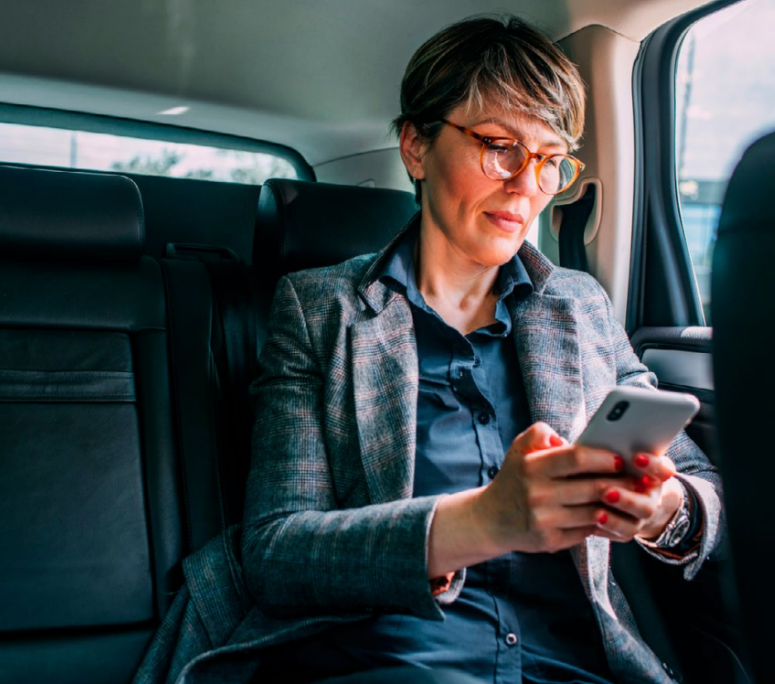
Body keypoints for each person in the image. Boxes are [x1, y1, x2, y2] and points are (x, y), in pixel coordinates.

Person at [240, 16, 723, 684]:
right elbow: (274, 551)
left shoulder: (577, 304)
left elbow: (703, 487)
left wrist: (661, 511)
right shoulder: (320, 309)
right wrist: (482, 522)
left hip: (580, 667)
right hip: (395, 663)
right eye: (500, 146)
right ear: (416, 147)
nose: (527, 184)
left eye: (551, 159)